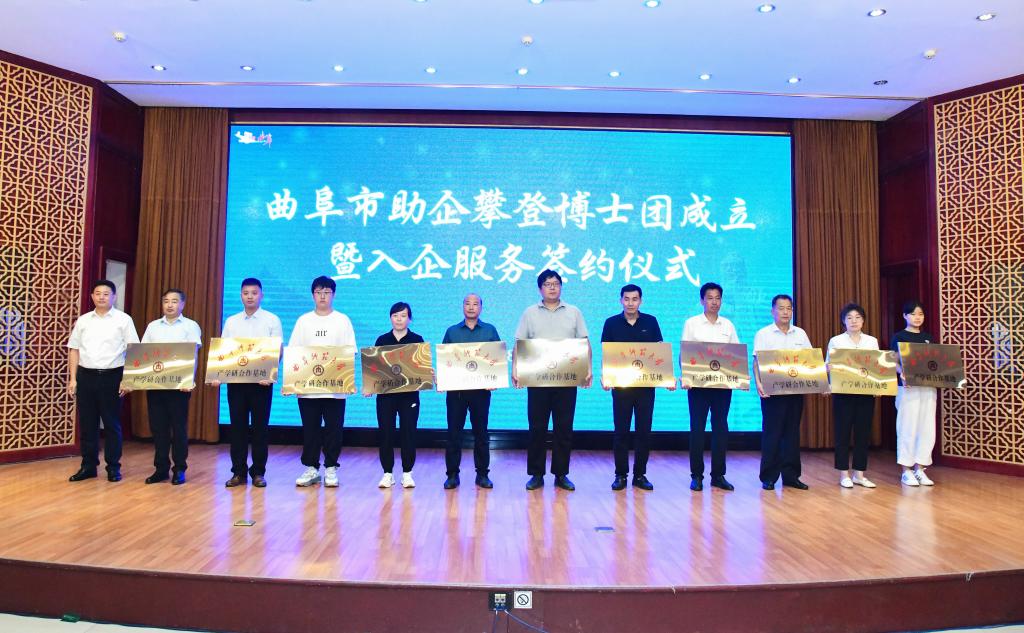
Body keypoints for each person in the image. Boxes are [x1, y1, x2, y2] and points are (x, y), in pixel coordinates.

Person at [513, 270, 591, 492]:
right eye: (547, 284)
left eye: (556, 283)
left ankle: (561, 474)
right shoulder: (529, 313)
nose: (552, 287)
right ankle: (536, 474)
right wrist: (515, 369)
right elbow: (519, 343)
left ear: (561, 287)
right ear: (540, 289)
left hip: (566, 380)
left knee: (564, 428)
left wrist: (588, 369)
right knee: (537, 428)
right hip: (537, 380)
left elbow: (584, 343)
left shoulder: (574, 312)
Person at [67, 280, 139, 482]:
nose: (101, 297)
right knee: (87, 424)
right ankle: (88, 466)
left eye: (106, 294)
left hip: (112, 376)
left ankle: (113, 467)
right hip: (86, 376)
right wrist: (73, 379)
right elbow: (74, 349)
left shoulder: (123, 320)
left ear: (113, 297)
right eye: (97, 293)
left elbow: (134, 350)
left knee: (111, 424)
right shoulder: (83, 320)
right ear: (92, 296)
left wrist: (128, 380)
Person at [600, 283, 671, 492]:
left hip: (645, 388)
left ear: (641, 301)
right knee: (621, 432)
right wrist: (605, 377)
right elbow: (607, 354)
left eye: (635, 299)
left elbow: (659, 352)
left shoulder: (651, 321)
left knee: (643, 432)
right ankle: (620, 475)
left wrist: (667, 378)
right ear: (620, 300)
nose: (630, 303)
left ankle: (640, 475)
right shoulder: (611, 323)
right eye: (626, 299)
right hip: (621, 387)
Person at [214, 278, 283, 488]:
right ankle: (238, 472)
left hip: (262, 383)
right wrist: (218, 374)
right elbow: (223, 351)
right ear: (241, 295)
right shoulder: (232, 321)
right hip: (236, 383)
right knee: (237, 428)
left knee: (260, 428)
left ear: (261, 295)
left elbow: (278, 350)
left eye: (254, 293)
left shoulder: (272, 320)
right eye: (246, 293)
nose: (250, 296)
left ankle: (258, 472)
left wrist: (270, 373)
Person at [288, 276, 356, 488]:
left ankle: (331, 468)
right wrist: (291, 383)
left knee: (334, 429)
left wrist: (349, 381)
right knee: (310, 429)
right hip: (308, 388)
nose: (323, 296)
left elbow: (350, 352)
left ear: (333, 295)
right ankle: (311, 468)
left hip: (335, 387)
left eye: (327, 292)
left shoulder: (342, 320)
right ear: (313, 295)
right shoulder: (303, 321)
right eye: (319, 292)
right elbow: (294, 352)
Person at [681, 282, 740, 492]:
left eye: (717, 298)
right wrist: (685, 376)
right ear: (702, 301)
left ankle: (718, 475)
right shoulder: (692, 324)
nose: (714, 302)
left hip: (722, 387)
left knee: (720, 429)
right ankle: (696, 476)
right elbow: (684, 353)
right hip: (698, 386)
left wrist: (740, 378)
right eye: (710, 298)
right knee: (697, 429)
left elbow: (736, 355)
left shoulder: (728, 325)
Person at [140, 288, 203, 485]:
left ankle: (179, 469)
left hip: (179, 386)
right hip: (156, 384)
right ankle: (161, 469)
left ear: (182, 304)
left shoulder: (190, 326)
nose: (169, 305)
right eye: (166, 301)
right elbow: (144, 353)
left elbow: (193, 355)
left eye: (174, 301)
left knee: (178, 428)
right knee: (158, 428)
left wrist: (189, 380)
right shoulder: (153, 326)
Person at [752, 294, 812, 491]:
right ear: (773, 311)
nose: (785, 312)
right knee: (772, 433)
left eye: (789, 308)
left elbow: (810, 361)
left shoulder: (800, 334)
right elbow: (756, 362)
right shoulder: (764, 334)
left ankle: (791, 476)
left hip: (795, 391)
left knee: (792, 434)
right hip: (772, 392)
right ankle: (768, 476)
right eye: (781, 308)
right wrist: (758, 383)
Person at [441, 293, 500, 490]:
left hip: (481, 392)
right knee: (453, 434)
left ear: (481, 308)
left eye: (475, 304)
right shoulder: (452, 331)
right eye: (468, 303)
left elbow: (497, 360)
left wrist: (495, 379)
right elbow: (445, 361)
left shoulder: (490, 330)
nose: (471, 307)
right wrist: (443, 379)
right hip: (456, 392)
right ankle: (452, 475)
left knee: (481, 434)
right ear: (462, 306)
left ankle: (482, 474)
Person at [370, 302, 424, 489]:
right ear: (390, 318)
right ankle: (388, 473)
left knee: (408, 433)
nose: (399, 319)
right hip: (386, 396)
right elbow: (374, 369)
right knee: (385, 433)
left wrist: (428, 374)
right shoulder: (382, 340)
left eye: (403, 316)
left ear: (409, 318)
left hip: (409, 396)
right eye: (395, 315)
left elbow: (421, 367)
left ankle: (407, 473)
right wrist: (370, 385)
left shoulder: (417, 339)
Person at [827, 302, 879, 489]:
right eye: (849, 318)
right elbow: (828, 365)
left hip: (865, 393)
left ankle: (859, 474)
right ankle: (844, 474)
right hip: (843, 392)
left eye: (857, 317)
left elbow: (877, 366)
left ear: (863, 321)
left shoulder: (871, 341)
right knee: (842, 433)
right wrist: (829, 382)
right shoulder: (836, 341)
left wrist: (878, 386)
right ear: (844, 321)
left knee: (863, 434)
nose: (854, 321)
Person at [891, 300, 937, 487]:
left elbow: (935, 362)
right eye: (913, 314)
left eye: (920, 314)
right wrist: (901, 373)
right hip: (908, 388)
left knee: (926, 428)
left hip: (928, 388)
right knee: (907, 427)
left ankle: (920, 469)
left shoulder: (928, 337)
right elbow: (893, 361)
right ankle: (906, 471)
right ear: (905, 316)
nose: (917, 317)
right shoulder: (899, 336)